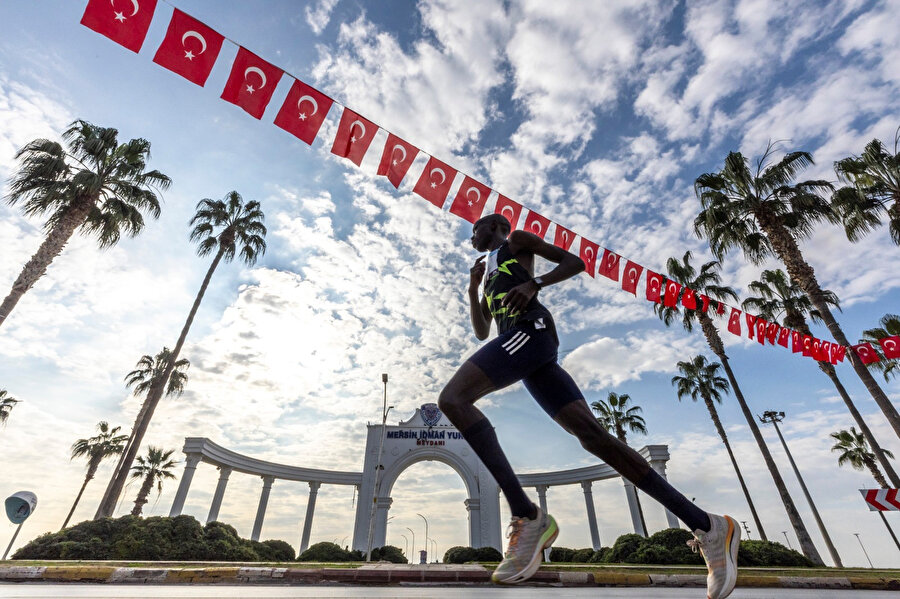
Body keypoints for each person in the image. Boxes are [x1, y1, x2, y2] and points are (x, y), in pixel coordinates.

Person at [438, 213, 740, 598]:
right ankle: (709, 527)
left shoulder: (516, 243)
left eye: (475, 229)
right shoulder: (489, 275)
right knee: (594, 437)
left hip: (532, 331)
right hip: (523, 348)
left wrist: (534, 283)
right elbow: (482, 331)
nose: (471, 236)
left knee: (453, 399)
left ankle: (527, 515)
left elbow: (575, 262)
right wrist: (472, 288)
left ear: (496, 226)